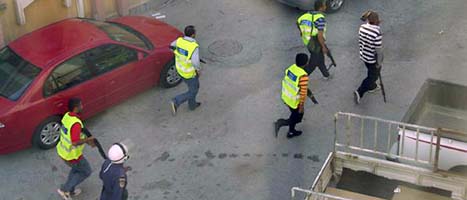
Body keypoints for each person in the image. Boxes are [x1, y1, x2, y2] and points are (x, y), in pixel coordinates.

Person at [57, 98, 95, 200]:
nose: (82, 107)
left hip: (63, 152)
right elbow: (74, 142)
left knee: (75, 170)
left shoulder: (67, 116)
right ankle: (65, 190)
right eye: (80, 105)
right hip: (72, 156)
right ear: (75, 108)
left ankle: (70, 190)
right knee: (86, 171)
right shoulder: (76, 124)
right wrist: (87, 140)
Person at [274, 53, 310, 138]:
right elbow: (303, 92)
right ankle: (282, 124)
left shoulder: (291, 68)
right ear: (305, 63)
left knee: (294, 115)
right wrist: (301, 106)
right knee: (297, 117)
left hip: (286, 97)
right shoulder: (303, 76)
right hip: (294, 101)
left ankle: (291, 131)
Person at [170, 25, 201, 116]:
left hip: (180, 70)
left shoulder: (179, 41)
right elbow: (195, 62)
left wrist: (178, 54)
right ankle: (176, 101)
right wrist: (198, 70)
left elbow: (171, 46)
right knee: (194, 90)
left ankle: (192, 105)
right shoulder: (193, 46)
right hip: (189, 73)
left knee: (192, 89)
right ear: (192, 35)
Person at [354, 11, 383, 104]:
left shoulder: (362, 27)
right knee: (373, 76)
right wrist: (379, 62)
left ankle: (372, 87)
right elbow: (378, 50)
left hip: (364, 55)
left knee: (371, 72)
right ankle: (360, 92)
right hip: (372, 59)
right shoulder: (377, 32)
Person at [297, 0, 330, 79]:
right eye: (325, 5)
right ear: (321, 7)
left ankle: (326, 75)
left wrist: (301, 32)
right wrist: (323, 47)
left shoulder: (306, 15)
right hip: (316, 44)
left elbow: (298, 23)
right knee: (312, 64)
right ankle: (300, 78)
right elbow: (319, 36)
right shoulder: (320, 19)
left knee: (320, 59)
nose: (326, 7)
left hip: (308, 42)